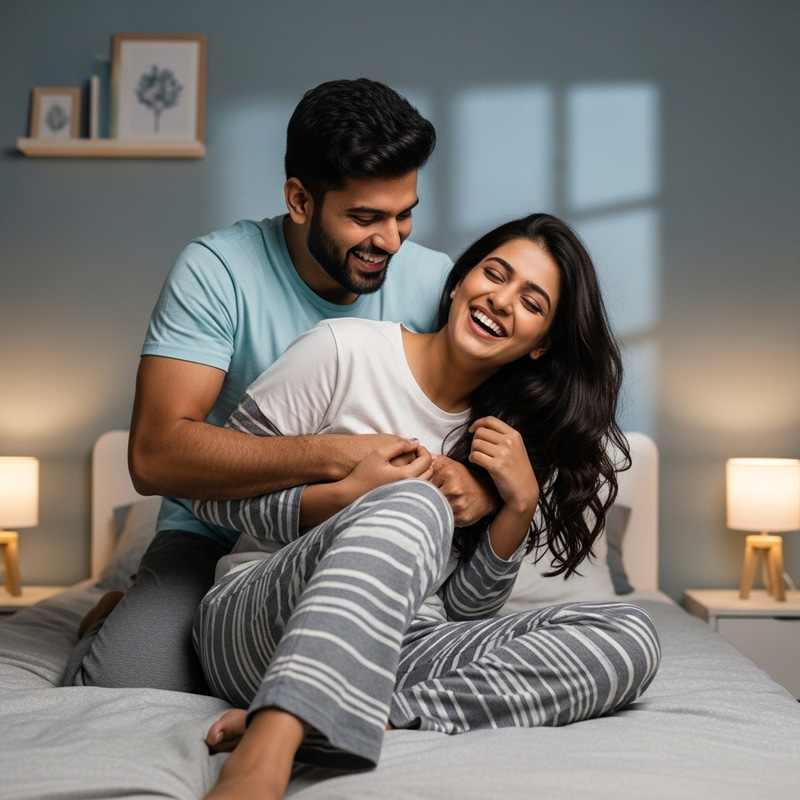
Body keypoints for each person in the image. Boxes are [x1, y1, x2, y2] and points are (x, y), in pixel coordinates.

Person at [190, 214, 662, 800]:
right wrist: (345, 496)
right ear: (459, 281)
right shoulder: (345, 352)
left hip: (399, 652)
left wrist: (517, 505)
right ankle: (268, 747)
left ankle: (373, 716)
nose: (502, 300)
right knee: (412, 501)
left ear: (541, 344)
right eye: (495, 274)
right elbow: (210, 494)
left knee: (632, 636)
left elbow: (463, 614)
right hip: (258, 622)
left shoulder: (500, 443)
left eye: (532, 302)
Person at [64, 78, 497, 692]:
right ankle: (119, 620)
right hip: (214, 534)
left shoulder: (436, 284)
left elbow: (501, 412)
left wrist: (482, 489)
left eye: (405, 215)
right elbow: (154, 455)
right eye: (366, 218)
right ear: (299, 199)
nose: (392, 240)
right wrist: (341, 455)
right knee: (126, 686)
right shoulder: (218, 271)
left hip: (359, 539)